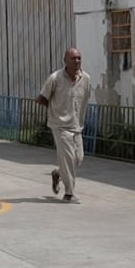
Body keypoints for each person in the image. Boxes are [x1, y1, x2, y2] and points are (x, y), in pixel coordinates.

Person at [36, 47, 92, 202]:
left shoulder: (86, 79)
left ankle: (58, 173)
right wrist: (56, 109)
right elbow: (41, 99)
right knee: (68, 158)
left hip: (76, 125)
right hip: (60, 125)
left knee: (78, 158)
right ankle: (69, 193)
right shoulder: (55, 78)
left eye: (79, 58)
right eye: (73, 58)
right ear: (65, 61)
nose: (77, 61)